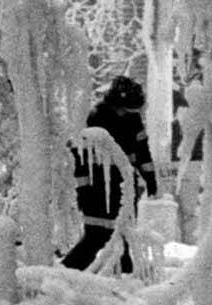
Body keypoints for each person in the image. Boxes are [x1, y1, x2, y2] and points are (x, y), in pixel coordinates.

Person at [62, 75, 157, 273]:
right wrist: (84, 188)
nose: (131, 113)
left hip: (125, 184)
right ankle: (67, 272)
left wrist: (150, 177)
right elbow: (80, 157)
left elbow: (142, 151)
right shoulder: (95, 118)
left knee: (124, 230)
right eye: (128, 109)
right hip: (97, 187)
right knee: (96, 236)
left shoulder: (133, 119)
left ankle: (125, 269)